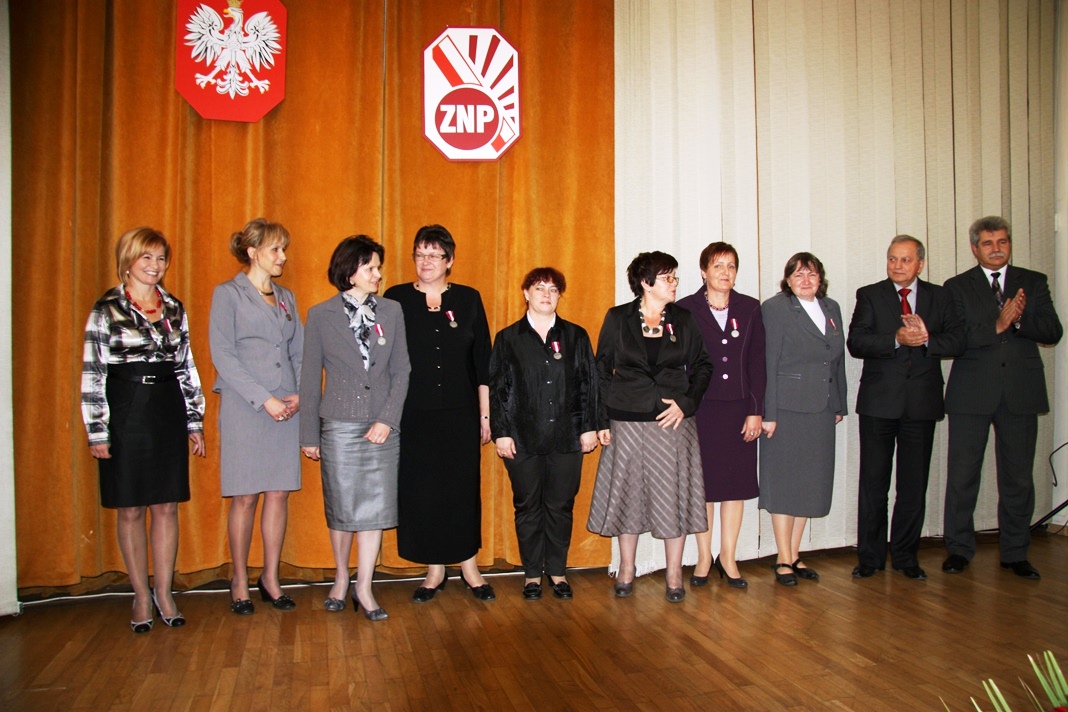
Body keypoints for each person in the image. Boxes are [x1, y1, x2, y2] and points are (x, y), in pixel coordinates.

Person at [81, 226, 207, 633]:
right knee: (131, 507)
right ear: (128, 260)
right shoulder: (106, 309)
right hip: (126, 409)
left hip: (167, 407)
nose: (155, 266)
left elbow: (186, 366)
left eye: (161, 258)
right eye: (146, 257)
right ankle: (140, 595)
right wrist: (97, 430)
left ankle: (164, 593)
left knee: (166, 505)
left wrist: (194, 419)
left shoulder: (173, 307)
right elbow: (93, 373)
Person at [586, 251, 713, 602]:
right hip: (626, 420)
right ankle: (627, 568)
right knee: (628, 496)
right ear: (646, 282)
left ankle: (674, 573)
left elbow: (703, 365)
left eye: (674, 277)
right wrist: (601, 419)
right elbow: (601, 370)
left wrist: (687, 403)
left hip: (672, 422)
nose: (674, 283)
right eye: (667, 277)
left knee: (673, 498)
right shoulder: (618, 318)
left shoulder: (683, 318)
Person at [942, 216, 1062, 579]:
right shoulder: (956, 286)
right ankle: (959, 550)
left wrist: (1019, 321)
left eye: (1003, 242)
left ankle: (1015, 552)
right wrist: (996, 325)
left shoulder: (1033, 282)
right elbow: (954, 338)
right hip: (971, 392)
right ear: (975, 247)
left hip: (1020, 393)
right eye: (988, 243)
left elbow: (1052, 331)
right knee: (962, 476)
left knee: (1018, 479)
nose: (996, 249)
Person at [299, 236, 410, 620]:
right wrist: (308, 434)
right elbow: (309, 378)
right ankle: (341, 578)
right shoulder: (320, 315)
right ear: (349, 272)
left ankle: (364, 586)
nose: (378, 274)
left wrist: (387, 420)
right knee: (343, 506)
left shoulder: (392, 311)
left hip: (382, 426)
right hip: (339, 425)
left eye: (378, 267)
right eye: (370, 268)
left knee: (375, 508)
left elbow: (402, 370)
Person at [384, 225, 495, 602]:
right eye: (420, 254)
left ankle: (469, 567)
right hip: (413, 414)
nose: (425, 261)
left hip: (461, 414)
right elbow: (386, 360)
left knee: (462, 490)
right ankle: (434, 571)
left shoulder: (468, 298)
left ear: (449, 261)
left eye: (434, 255)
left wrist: (485, 416)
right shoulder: (396, 298)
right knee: (424, 492)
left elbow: (482, 361)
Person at [847, 235, 964, 581]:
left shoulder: (940, 297)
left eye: (905, 260)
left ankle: (905, 556)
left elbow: (958, 340)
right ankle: (870, 557)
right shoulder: (870, 294)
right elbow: (856, 341)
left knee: (913, 486)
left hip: (922, 403)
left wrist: (927, 339)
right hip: (879, 402)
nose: (897, 266)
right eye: (892, 259)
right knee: (874, 484)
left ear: (920, 264)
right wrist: (895, 339)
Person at [209, 218, 303, 614]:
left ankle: (270, 578)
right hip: (246, 407)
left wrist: (299, 394)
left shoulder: (286, 297)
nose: (283, 257)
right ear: (252, 252)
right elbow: (223, 355)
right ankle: (238, 580)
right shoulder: (227, 294)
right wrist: (265, 399)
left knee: (278, 493)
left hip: (286, 408)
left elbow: (298, 350)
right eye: (275, 249)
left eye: (284, 249)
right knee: (245, 497)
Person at [489, 267, 599, 600]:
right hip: (522, 437)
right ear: (526, 293)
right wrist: (501, 432)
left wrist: (589, 427)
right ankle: (532, 575)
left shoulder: (576, 336)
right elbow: (498, 388)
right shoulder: (508, 338)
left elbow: (589, 384)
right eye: (539, 288)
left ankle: (557, 572)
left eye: (553, 289)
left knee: (560, 506)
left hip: (567, 436)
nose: (546, 295)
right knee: (527, 507)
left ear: (560, 295)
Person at [676, 242, 765, 589]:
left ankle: (728, 557)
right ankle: (703, 557)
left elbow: (757, 363)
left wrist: (756, 411)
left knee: (734, 486)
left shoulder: (750, 307)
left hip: (739, 409)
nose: (725, 272)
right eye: (717, 266)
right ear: (703, 272)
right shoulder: (686, 308)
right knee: (704, 486)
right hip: (702, 410)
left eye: (731, 266)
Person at [759, 252, 847, 586]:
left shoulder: (831, 308)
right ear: (787, 280)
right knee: (785, 484)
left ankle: (794, 554)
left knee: (810, 483)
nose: (805, 280)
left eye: (811, 274)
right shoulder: (776, 308)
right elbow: (768, 362)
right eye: (798, 275)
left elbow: (835, 361)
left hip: (821, 408)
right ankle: (782, 558)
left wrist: (838, 404)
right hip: (786, 410)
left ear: (820, 278)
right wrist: (768, 413)